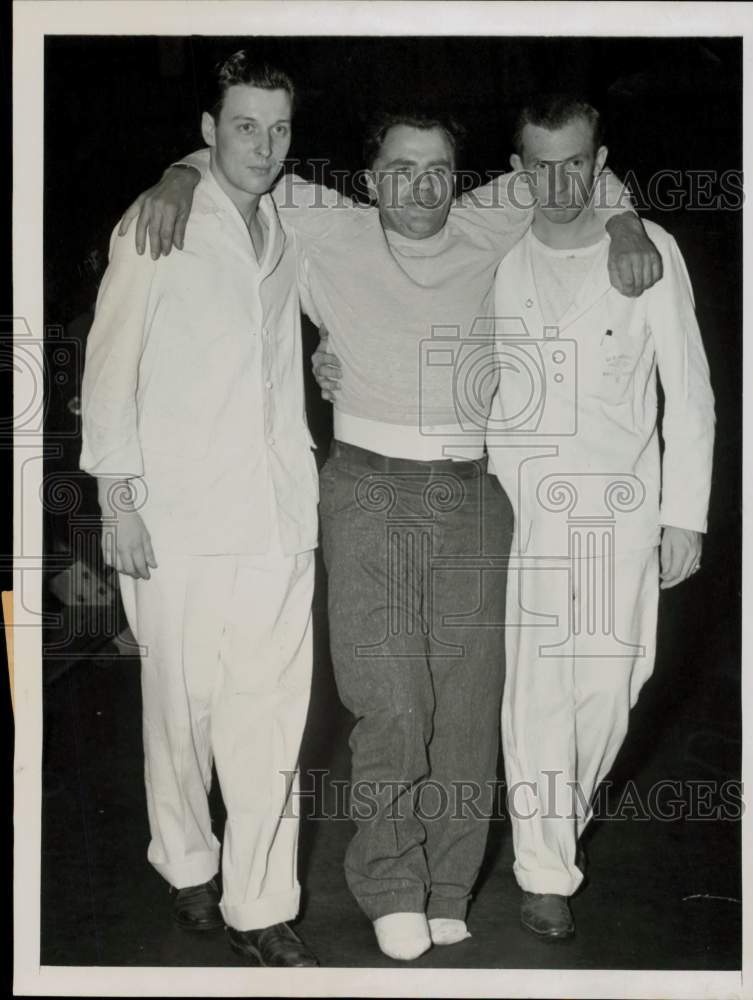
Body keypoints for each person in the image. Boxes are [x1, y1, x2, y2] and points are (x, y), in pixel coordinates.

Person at [120, 105, 662, 961]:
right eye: (402, 169)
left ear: (462, 177)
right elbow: (240, 160)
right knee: (391, 703)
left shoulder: (491, 216)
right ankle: (388, 885)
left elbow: (580, 171)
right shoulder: (326, 223)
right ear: (370, 180)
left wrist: (627, 219)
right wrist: (178, 172)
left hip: (473, 496)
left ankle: (449, 886)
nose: (421, 186)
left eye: (438, 169)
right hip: (365, 491)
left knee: (468, 711)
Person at [79, 50, 320, 967]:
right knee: (178, 711)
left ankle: (262, 905)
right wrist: (122, 502)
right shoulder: (156, 222)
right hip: (174, 518)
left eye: (280, 128)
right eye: (245, 126)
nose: (264, 146)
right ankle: (186, 866)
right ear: (208, 132)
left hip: (277, 518)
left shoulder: (292, 223)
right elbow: (108, 375)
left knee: (268, 717)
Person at [486, 93, 716, 940]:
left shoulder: (647, 252)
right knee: (538, 693)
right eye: (539, 165)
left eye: (573, 163)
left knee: (609, 692)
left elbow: (687, 394)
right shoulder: (499, 256)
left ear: (598, 162)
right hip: (524, 508)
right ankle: (545, 872)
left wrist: (682, 517)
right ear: (518, 170)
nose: (556, 182)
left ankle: (551, 835)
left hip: (621, 512)